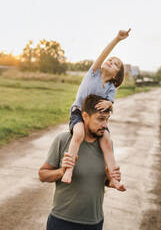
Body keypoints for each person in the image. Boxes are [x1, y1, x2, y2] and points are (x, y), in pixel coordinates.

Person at [38, 94, 126, 230]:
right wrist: (62, 171)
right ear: (85, 116)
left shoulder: (106, 145)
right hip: (62, 222)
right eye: (100, 119)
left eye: (107, 120)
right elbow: (42, 174)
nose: (105, 125)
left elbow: (102, 182)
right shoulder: (63, 140)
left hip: (94, 223)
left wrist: (111, 180)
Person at [61, 29, 131, 190]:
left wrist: (110, 104)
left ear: (116, 75)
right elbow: (104, 53)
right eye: (110, 60)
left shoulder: (111, 87)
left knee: (107, 141)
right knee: (78, 134)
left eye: (115, 64)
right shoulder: (93, 73)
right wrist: (117, 39)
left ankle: (114, 179)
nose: (110, 61)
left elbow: (110, 104)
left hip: (96, 120)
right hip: (79, 112)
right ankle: (69, 170)